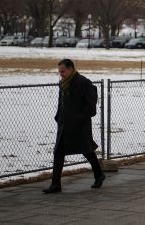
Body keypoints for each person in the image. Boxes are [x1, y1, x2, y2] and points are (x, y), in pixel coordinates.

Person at [42, 59, 105, 194]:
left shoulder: (83, 82)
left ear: (71, 69)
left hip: (79, 125)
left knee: (87, 151)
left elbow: (91, 107)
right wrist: (58, 117)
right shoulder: (62, 84)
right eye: (59, 72)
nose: (61, 74)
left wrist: (79, 119)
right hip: (64, 125)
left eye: (63, 71)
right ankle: (55, 184)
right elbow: (61, 103)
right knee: (58, 153)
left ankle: (99, 175)